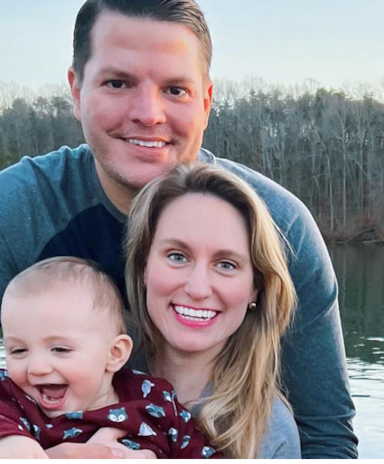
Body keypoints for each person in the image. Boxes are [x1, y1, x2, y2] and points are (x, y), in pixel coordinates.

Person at [0, 0, 357, 462]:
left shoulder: (277, 227)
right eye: (118, 82)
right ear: (76, 90)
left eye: (176, 90)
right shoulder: (18, 209)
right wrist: (6, 453)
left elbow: (326, 438)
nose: (148, 113)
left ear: (206, 102)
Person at [0, 257, 222, 462]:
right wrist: (4, 442)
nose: (37, 368)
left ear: (115, 354)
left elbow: (200, 452)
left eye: (60, 349)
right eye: (18, 351)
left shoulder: (154, 400)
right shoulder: (13, 399)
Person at [124, 163, 301, 461]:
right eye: (177, 256)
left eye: (226, 264)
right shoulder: (83, 383)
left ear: (255, 288)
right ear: (144, 268)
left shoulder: (271, 434)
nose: (198, 288)